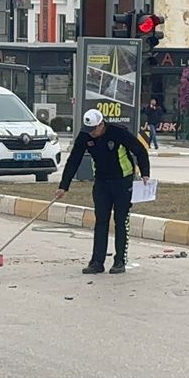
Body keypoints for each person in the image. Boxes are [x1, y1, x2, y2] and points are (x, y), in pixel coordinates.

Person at [56, 109, 150, 275]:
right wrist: (64, 185)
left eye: (94, 129)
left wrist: (145, 173)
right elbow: (74, 159)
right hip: (101, 182)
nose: (91, 133)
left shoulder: (118, 132)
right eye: (88, 130)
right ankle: (97, 262)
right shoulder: (85, 136)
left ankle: (120, 260)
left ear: (101, 124)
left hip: (123, 181)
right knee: (101, 221)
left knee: (121, 220)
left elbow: (139, 150)